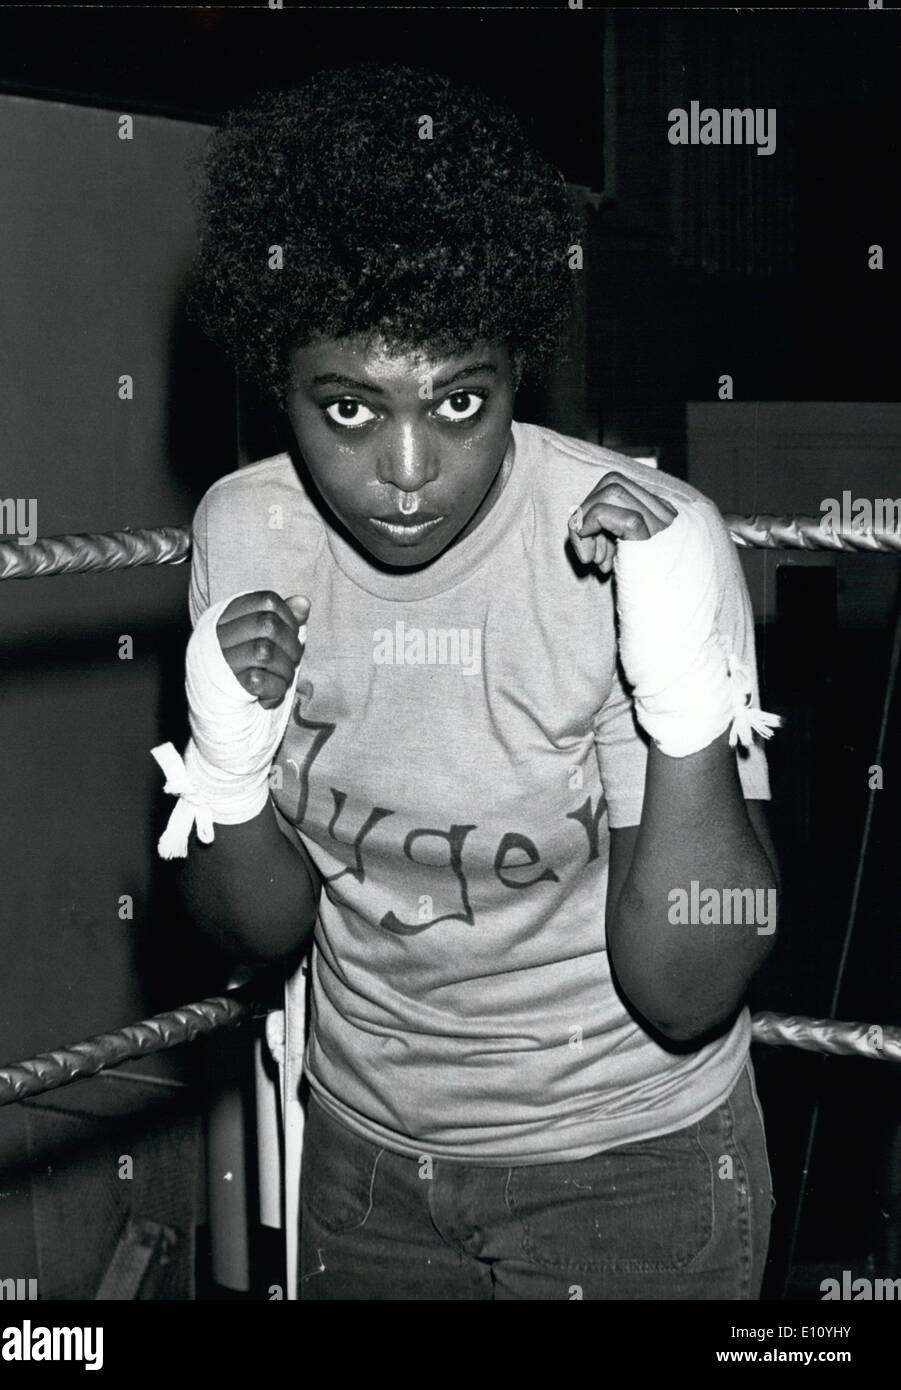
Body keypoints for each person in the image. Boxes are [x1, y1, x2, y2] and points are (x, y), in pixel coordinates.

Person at [156, 64, 781, 1300]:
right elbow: (250, 933)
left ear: (517, 372)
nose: (403, 469)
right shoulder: (247, 530)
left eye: (457, 400)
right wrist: (225, 756)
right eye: (345, 405)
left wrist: (681, 695)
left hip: (630, 1165)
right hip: (363, 1159)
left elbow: (689, 982)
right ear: (274, 377)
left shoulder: (633, 542)